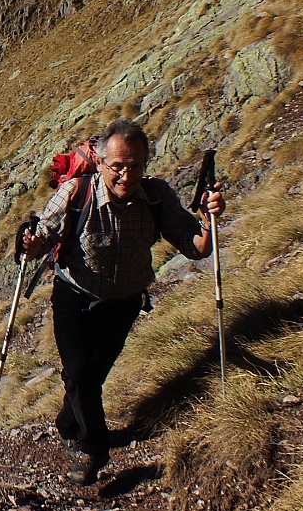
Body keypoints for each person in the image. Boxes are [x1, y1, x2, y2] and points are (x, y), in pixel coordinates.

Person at [20, 118, 225, 485]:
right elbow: (43, 237)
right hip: (73, 297)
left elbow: (198, 248)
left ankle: (68, 423)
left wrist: (209, 219)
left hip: (123, 303)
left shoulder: (156, 197)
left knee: (90, 377)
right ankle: (94, 448)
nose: (126, 176)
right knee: (81, 373)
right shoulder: (76, 194)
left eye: (135, 166)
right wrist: (32, 244)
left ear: (145, 165)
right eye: (117, 166)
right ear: (100, 162)